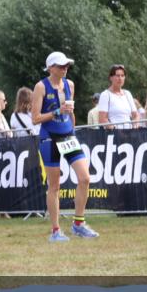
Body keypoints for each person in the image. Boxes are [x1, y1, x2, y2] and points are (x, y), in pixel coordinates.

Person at [31, 52, 96, 242]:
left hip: (68, 136)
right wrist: (57, 112)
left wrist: (72, 129)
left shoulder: (70, 85)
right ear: (51, 68)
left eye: (67, 65)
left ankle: (78, 224)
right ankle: (55, 230)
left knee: (84, 178)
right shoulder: (41, 86)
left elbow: (70, 112)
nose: (65, 68)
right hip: (49, 137)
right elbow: (35, 119)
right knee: (54, 186)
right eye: (61, 66)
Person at [97, 64, 138, 129]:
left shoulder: (128, 94)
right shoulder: (105, 95)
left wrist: (135, 125)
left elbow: (135, 115)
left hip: (130, 134)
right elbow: (102, 119)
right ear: (111, 78)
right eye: (117, 75)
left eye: (122, 76)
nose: (120, 78)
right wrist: (114, 129)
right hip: (114, 134)